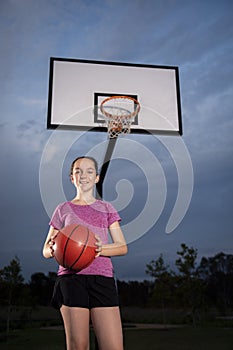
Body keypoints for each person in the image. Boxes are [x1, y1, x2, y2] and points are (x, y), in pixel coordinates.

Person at [42, 156, 127, 350]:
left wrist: (96, 249)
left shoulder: (106, 208)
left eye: (89, 171)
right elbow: (46, 250)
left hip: (102, 279)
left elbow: (122, 246)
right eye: (78, 171)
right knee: (78, 346)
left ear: (96, 178)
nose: (84, 175)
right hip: (71, 280)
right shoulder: (62, 209)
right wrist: (57, 247)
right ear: (72, 178)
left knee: (113, 346)